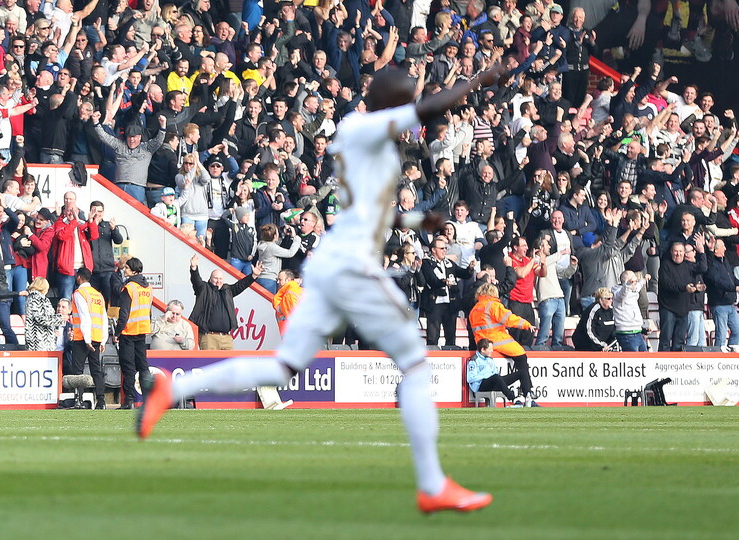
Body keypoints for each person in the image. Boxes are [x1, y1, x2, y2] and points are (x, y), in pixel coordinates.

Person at [138, 65, 504, 513]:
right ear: (390, 101)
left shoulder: (375, 143)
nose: (411, 109)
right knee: (415, 363)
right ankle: (431, 484)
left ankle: (170, 391)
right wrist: (475, 83)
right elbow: (426, 109)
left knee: (281, 369)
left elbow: (369, 214)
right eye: (405, 99)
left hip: (336, 262)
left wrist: (414, 220)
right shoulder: (362, 126)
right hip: (350, 266)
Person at [468, 282, 538, 406]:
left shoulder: (474, 309)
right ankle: (528, 392)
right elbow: (509, 319)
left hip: (482, 344)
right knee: (521, 355)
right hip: (498, 341)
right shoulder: (493, 305)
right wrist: (526, 324)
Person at [188, 253, 261, 350]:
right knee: (210, 364)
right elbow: (196, 280)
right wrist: (194, 268)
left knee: (229, 363)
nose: (218, 281)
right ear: (210, 279)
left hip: (226, 338)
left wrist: (253, 276)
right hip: (209, 337)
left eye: (220, 278)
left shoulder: (228, 290)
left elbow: (240, 285)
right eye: (215, 278)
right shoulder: (203, 288)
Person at [116, 257, 153, 409]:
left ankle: (129, 400)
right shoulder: (148, 288)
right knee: (143, 367)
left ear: (133, 270)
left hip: (129, 332)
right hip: (142, 331)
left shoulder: (129, 288)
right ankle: (148, 400)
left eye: (126, 268)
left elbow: (124, 314)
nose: (124, 270)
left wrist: (117, 332)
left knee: (129, 368)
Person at [70, 268, 108, 409]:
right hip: (97, 337)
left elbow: (84, 317)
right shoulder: (98, 295)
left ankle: (78, 400)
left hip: (83, 338)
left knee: (78, 370)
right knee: (96, 370)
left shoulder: (79, 293)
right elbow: (104, 318)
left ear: (79, 277)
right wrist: (103, 339)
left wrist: (87, 339)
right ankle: (101, 401)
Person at [465, 338, 525, 407]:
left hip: (493, 381)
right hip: (480, 385)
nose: (492, 351)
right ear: (483, 350)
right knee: (496, 377)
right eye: (490, 349)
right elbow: (470, 378)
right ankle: (513, 399)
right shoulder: (474, 360)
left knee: (522, 373)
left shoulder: (490, 359)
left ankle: (528, 397)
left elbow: (495, 373)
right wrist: (487, 376)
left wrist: (493, 376)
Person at [24, 277, 64, 351]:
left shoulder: (36, 298)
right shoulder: (36, 298)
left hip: (43, 340)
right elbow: (40, 318)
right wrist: (59, 318)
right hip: (39, 341)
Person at [571, 287, 617, 351]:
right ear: (601, 300)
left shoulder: (612, 311)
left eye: (612, 298)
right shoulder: (593, 310)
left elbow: (614, 330)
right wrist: (600, 345)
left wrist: (609, 345)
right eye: (608, 299)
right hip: (586, 346)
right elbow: (589, 330)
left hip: (604, 346)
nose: (611, 301)